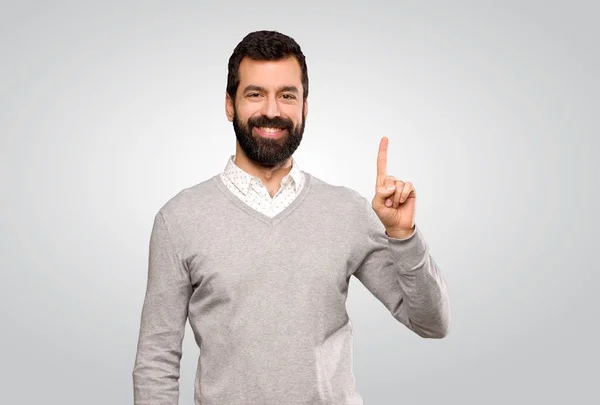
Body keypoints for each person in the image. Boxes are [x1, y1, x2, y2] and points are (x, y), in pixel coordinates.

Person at [132, 30, 451, 405]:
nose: (272, 110)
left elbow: (432, 323)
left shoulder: (348, 212)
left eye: (287, 95)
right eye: (255, 94)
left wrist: (402, 235)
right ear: (229, 105)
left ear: (305, 106)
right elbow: (157, 360)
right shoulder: (179, 219)